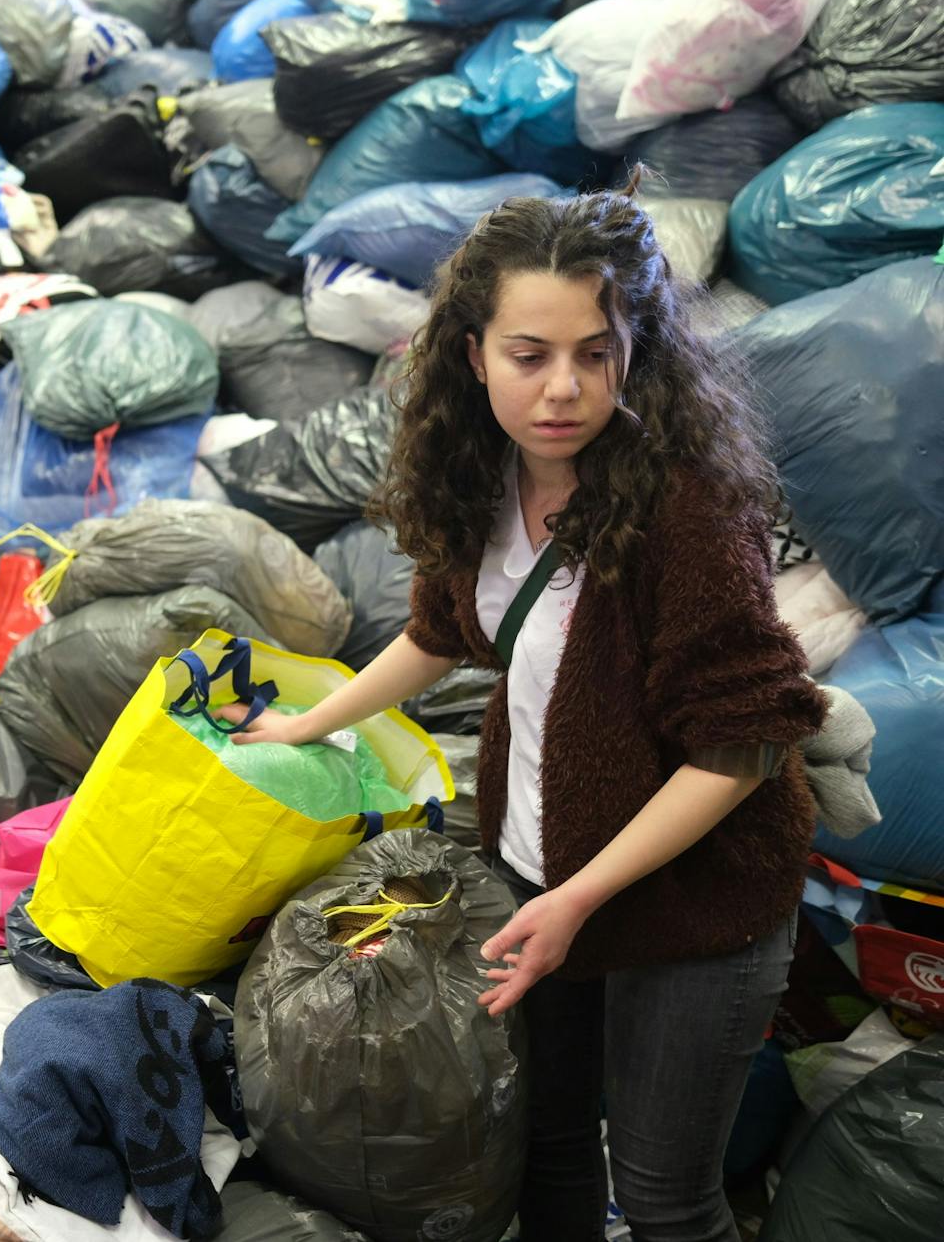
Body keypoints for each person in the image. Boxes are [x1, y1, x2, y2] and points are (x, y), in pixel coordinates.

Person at [221, 179, 824, 1242]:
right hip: (538, 874)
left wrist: (577, 897)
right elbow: (437, 631)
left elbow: (741, 745)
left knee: (663, 1197)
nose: (563, 388)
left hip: (690, 905)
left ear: (638, 350)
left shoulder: (684, 506)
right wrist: (309, 726)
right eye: (528, 354)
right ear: (471, 354)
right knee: (539, 1153)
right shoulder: (479, 474)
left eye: (596, 352)